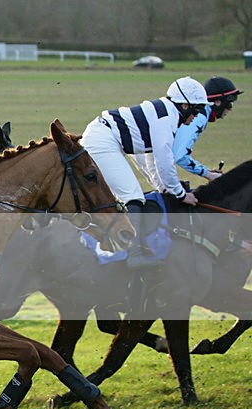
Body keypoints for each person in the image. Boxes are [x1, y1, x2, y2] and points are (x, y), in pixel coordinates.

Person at [81, 76, 207, 268]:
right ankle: (134, 254)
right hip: (102, 140)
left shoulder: (166, 112)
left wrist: (163, 188)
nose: (196, 116)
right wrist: (180, 194)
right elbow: (164, 161)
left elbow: (150, 159)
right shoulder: (167, 118)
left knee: (134, 195)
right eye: (196, 110)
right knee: (133, 197)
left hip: (105, 137)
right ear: (184, 106)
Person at [172, 76, 242, 181]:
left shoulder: (201, 112)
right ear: (217, 102)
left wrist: (207, 171)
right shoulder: (200, 116)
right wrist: (208, 174)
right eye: (230, 104)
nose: (230, 109)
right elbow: (180, 155)